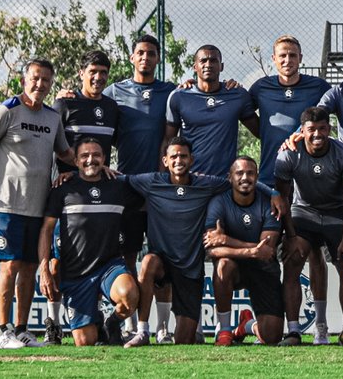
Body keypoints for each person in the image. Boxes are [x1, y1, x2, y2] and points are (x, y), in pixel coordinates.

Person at [126, 138, 274, 345]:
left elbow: (242, 181)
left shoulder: (207, 184)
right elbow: (118, 180)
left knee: (184, 340)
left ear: (192, 160)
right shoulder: (151, 182)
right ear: (165, 161)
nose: (179, 160)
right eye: (174, 156)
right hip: (162, 262)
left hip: (189, 270)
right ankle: (142, 331)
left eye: (183, 156)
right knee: (149, 262)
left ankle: (239, 326)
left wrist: (274, 194)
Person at [0, 58, 71, 349]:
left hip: (38, 207)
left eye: (46, 81)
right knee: (10, 265)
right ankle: (3, 331)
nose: (40, 85)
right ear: (24, 80)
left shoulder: (53, 118)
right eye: (35, 79)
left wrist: (93, 164)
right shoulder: (6, 111)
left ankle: (23, 329)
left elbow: (65, 153)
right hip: (8, 205)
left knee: (29, 268)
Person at [270, 106, 343, 345]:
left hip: (336, 213)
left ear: (329, 129)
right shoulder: (289, 153)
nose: (317, 134)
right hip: (304, 213)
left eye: (322, 128)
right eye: (311, 129)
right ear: (302, 131)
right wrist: (290, 236)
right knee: (293, 260)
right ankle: (294, 331)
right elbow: (283, 197)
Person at [39, 138, 140, 347]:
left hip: (109, 266)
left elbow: (151, 194)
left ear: (104, 159)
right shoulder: (63, 188)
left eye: (96, 155)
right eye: (84, 156)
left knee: (129, 296)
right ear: (75, 161)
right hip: (76, 274)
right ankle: (97, 325)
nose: (90, 160)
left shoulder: (118, 186)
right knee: (85, 342)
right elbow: (47, 229)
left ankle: (112, 324)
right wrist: (44, 267)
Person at [106, 34, 174, 289]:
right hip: (127, 185)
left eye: (151, 53)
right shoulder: (114, 91)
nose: (146, 57)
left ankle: (164, 327)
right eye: (141, 53)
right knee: (127, 256)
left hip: (160, 187)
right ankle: (132, 325)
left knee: (163, 260)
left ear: (158, 58)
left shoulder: (170, 91)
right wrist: (70, 93)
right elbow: (90, 102)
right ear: (132, 57)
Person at [204, 155, 286, 347]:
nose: (245, 177)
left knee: (271, 337)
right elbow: (213, 251)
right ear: (230, 177)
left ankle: (246, 325)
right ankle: (224, 329)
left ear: (257, 177)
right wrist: (250, 251)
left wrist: (225, 240)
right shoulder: (218, 203)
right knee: (223, 264)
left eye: (250, 173)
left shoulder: (269, 203)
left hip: (263, 268)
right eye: (239, 173)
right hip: (234, 266)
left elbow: (267, 250)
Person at [165, 45, 259, 173]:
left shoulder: (237, 95)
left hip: (224, 181)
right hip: (190, 179)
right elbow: (168, 141)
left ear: (221, 66)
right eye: (203, 61)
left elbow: (261, 132)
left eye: (213, 60)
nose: (208, 64)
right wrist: (165, 177)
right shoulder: (179, 96)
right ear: (195, 66)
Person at [248, 36, 331, 168]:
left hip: (307, 172)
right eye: (282, 56)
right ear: (274, 59)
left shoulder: (319, 86)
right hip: (270, 171)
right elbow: (241, 111)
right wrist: (262, 132)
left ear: (300, 58)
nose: (287, 60)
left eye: (292, 55)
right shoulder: (261, 87)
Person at [59, 51, 122, 163]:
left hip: (101, 180)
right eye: (93, 72)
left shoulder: (112, 107)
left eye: (103, 72)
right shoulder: (65, 103)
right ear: (81, 74)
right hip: (69, 179)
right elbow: (52, 144)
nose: (98, 77)